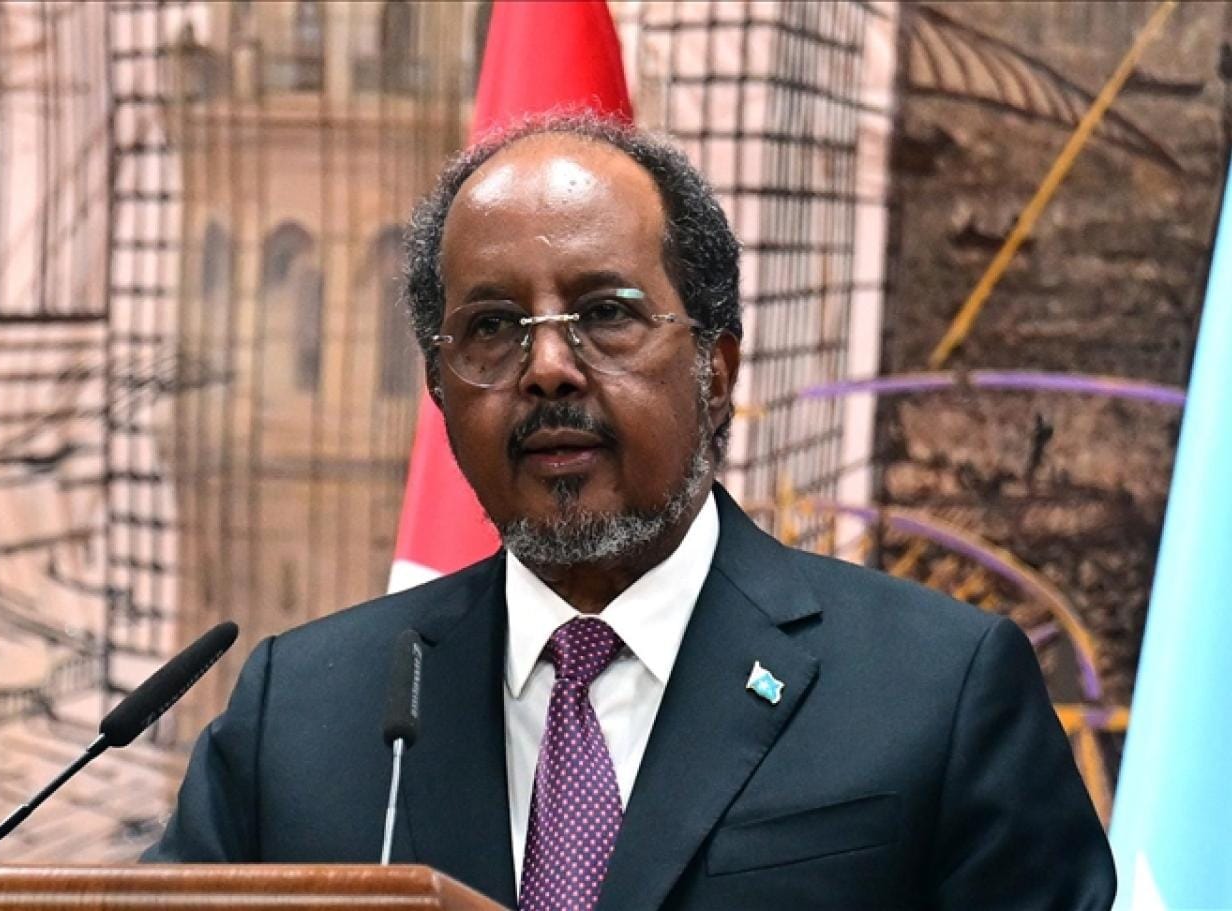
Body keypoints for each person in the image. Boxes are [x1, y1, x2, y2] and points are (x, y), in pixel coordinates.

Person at [144, 113, 1116, 911]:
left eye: (606, 313)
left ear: (716, 370)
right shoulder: (302, 714)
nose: (547, 368)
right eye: (493, 327)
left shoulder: (936, 691)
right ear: (440, 390)